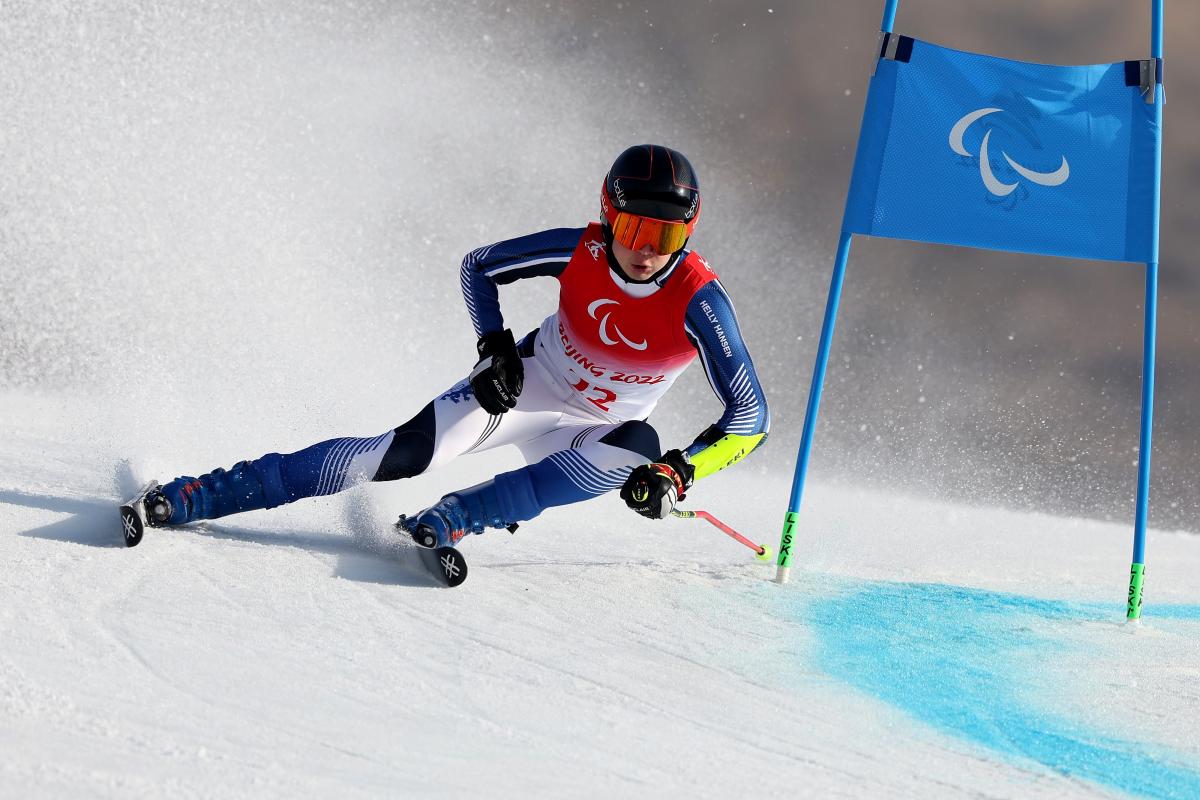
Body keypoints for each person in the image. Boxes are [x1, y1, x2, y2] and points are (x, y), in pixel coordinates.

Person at [140, 144, 770, 550]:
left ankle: (459, 515)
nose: (647, 248)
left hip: (598, 431)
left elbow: (752, 418)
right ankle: (205, 493)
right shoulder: (583, 249)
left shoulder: (699, 302)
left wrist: (678, 473)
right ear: (608, 215)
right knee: (392, 456)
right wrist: (494, 348)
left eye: (667, 232)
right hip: (528, 385)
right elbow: (479, 267)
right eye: (634, 227)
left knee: (640, 450)